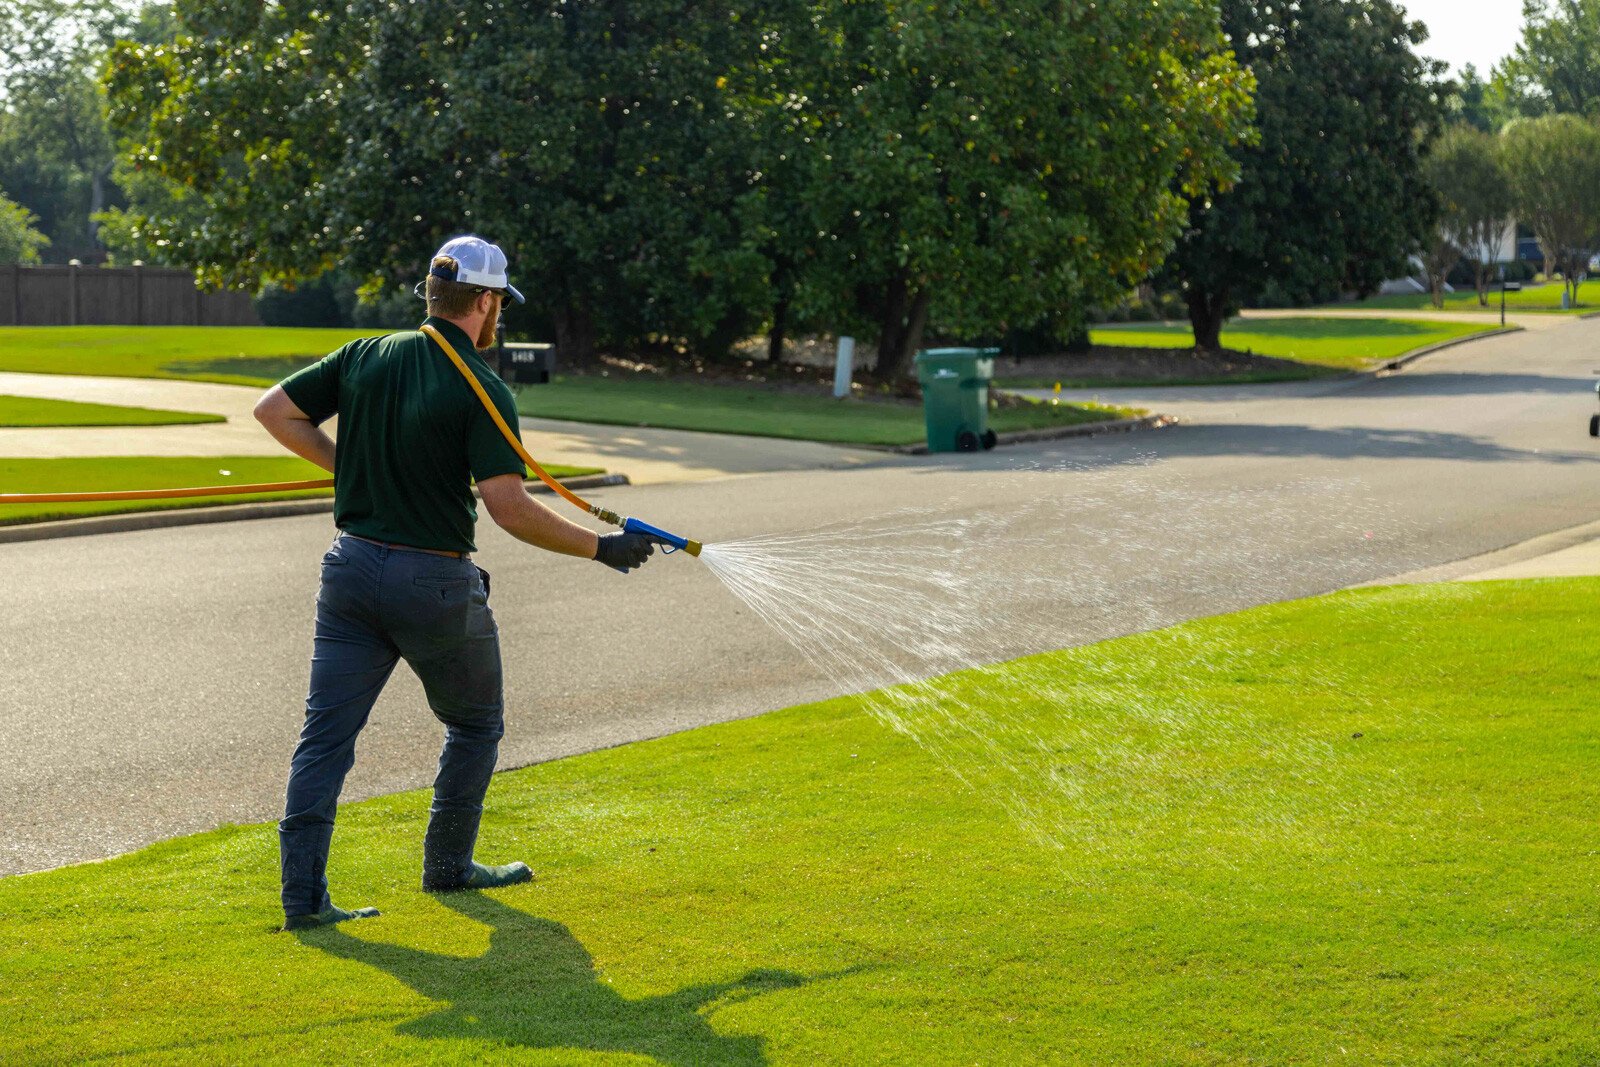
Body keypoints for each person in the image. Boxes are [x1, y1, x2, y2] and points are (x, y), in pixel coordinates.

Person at [255, 235, 657, 931]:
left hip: (349, 569)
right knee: (475, 724)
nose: (500, 312)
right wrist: (602, 548)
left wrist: (352, 469)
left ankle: (303, 900)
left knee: (324, 738)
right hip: (432, 580)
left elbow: (274, 412)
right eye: (500, 300)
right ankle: (447, 866)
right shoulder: (481, 384)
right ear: (485, 300)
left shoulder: (364, 354)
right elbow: (509, 508)